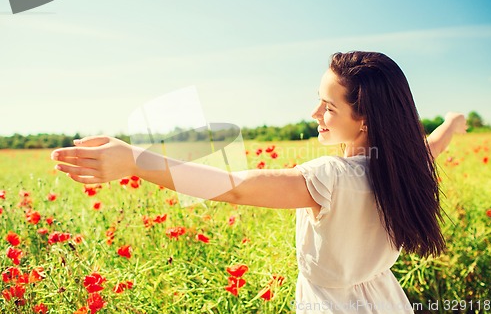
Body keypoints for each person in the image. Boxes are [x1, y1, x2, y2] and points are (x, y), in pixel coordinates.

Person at [51, 51, 466, 313]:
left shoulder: (331, 177)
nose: (313, 114)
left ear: (365, 118)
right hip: (388, 302)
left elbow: (236, 186)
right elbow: (434, 144)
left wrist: (135, 160)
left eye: (327, 107)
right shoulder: (405, 164)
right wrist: (451, 122)